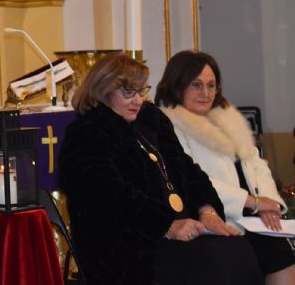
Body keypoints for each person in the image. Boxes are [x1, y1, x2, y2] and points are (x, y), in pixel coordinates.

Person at [58, 53, 263, 285]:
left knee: (238, 250)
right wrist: (167, 225)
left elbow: (188, 169)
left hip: (175, 233)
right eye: (128, 92)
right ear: (104, 91)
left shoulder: (151, 120)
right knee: (209, 260)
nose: (137, 100)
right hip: (125, 244)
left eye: (140, 91)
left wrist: (208, 211)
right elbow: (109, 197)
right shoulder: (87, 132)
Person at [156, 50, 295, 284]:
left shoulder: (227, 118)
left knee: (281, 252)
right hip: (216, 216)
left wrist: (268, 204)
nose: (206, 93)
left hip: (252, 217)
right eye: (197, 85)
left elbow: (257, 164)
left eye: (212, 85)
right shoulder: (170, 125)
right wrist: (252, 202)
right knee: (246, 255)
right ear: (178, 85)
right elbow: (195, 179)